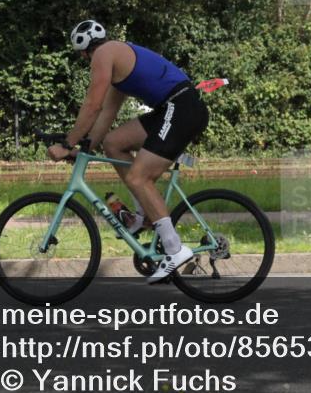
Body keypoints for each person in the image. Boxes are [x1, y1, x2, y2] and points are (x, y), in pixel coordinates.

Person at [47, 20, 209, 282]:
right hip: (172, 108)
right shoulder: (117, 63)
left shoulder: (104, 54)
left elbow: (92, 105)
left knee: (137, 177)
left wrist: (67, 144)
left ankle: (174, 248)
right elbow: (106, 114)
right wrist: (84, 149)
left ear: (83, 51)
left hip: (180, 107)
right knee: (114, 143)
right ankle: (142, 216)